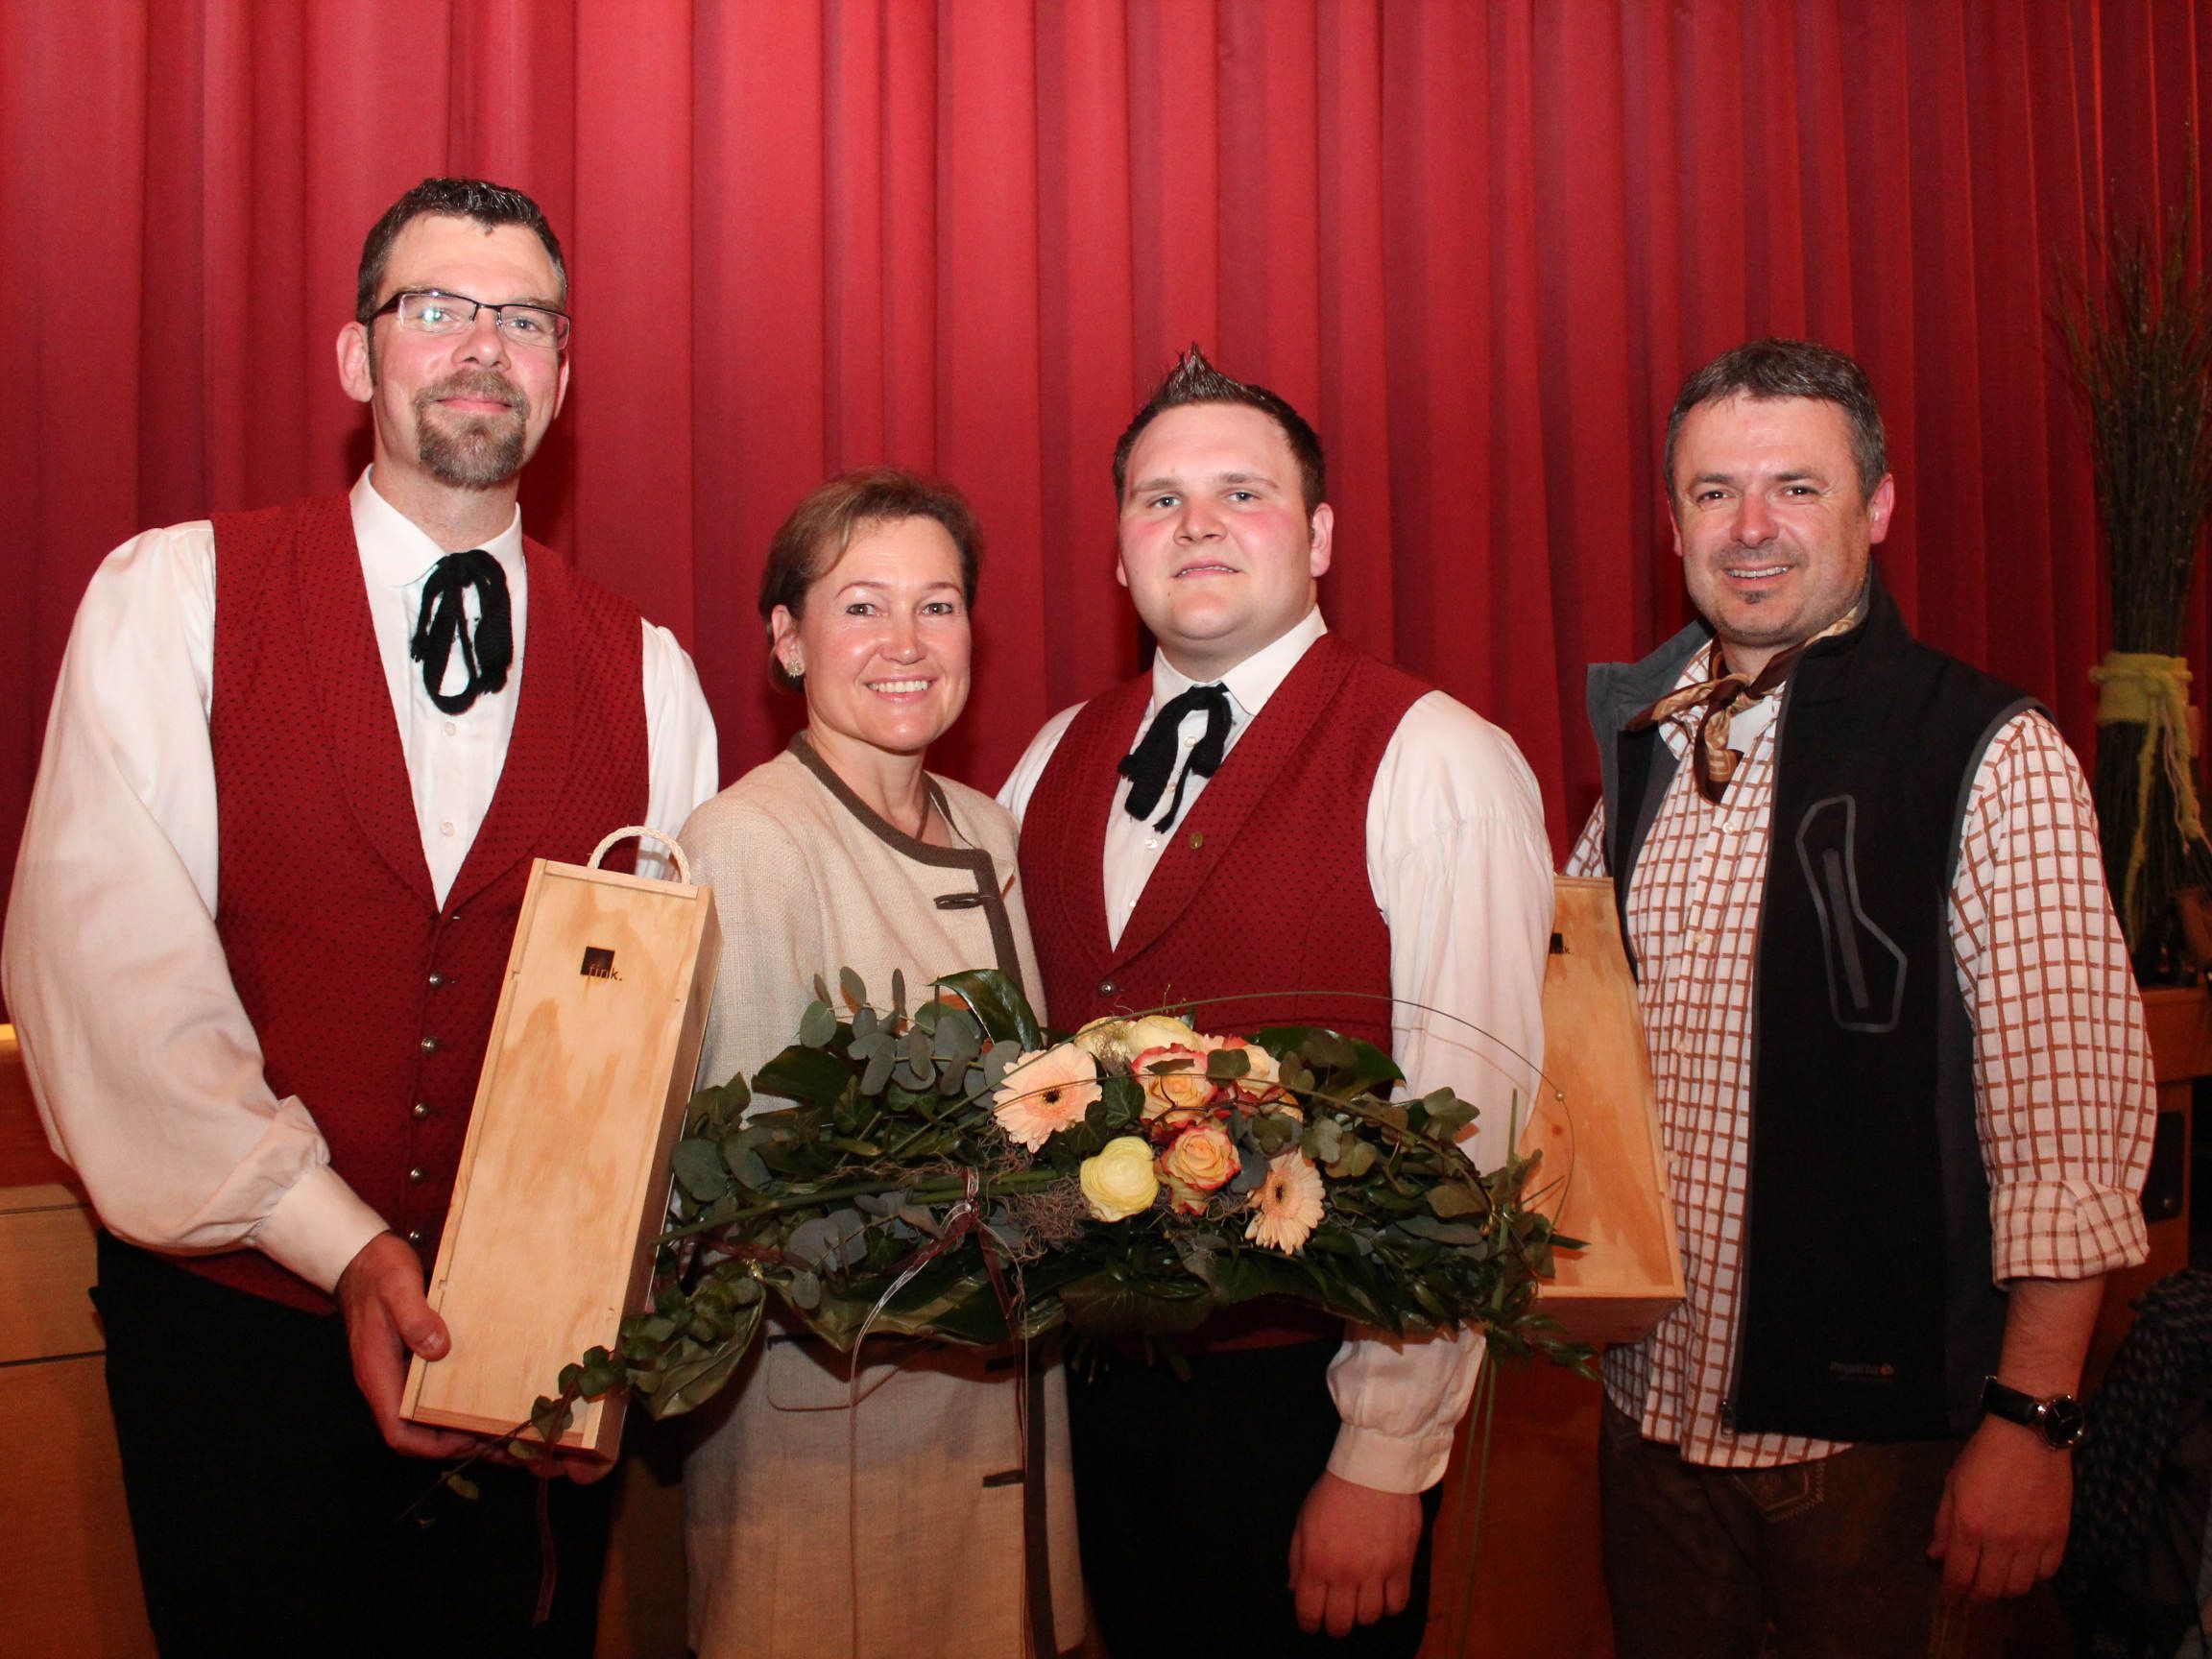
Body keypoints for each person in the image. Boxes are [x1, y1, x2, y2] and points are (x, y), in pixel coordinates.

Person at [2, 177, 718, 1656]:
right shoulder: (172, 597)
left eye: (522, 318)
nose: (480, 346)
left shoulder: (650, 675)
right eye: (436, 307)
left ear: (564, 378)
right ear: (356, 356)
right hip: (233, 1332)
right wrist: (339, 1244)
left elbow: (667, 1052)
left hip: (526, 1354)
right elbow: (112, 982)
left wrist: (601, 1324)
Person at [1567, 337, 2156, 1655]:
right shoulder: (1649, 743)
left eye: (1798, 488)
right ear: (1673, 523)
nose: (1754, 527)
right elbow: (1577, 1051)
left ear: (1878, 508)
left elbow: (2068, 1138)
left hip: (1880, 1454)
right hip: (1648, 1422)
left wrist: (2033, 1423)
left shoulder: (1992, 752)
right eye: (1715, 493)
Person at [999, 347, 1554, 1655]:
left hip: (1302, 1414)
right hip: (1085, 1411)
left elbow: (1474, 1138)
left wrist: (1383, 1452)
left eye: (1241, 494)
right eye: (1159, 498)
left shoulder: (1436, 758)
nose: (1196, 523)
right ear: (1118, 548)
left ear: (1316, 535)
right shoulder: (1046, 759)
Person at [679, 468, 1084, 1659]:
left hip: (1006, 1424)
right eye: (862, 606)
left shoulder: (990, 827)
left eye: (939, 605)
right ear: (787, 640)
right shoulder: (748, 842)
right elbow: (758, 1200)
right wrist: (1052, 1233)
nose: (906, 643)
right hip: (833, 1443)